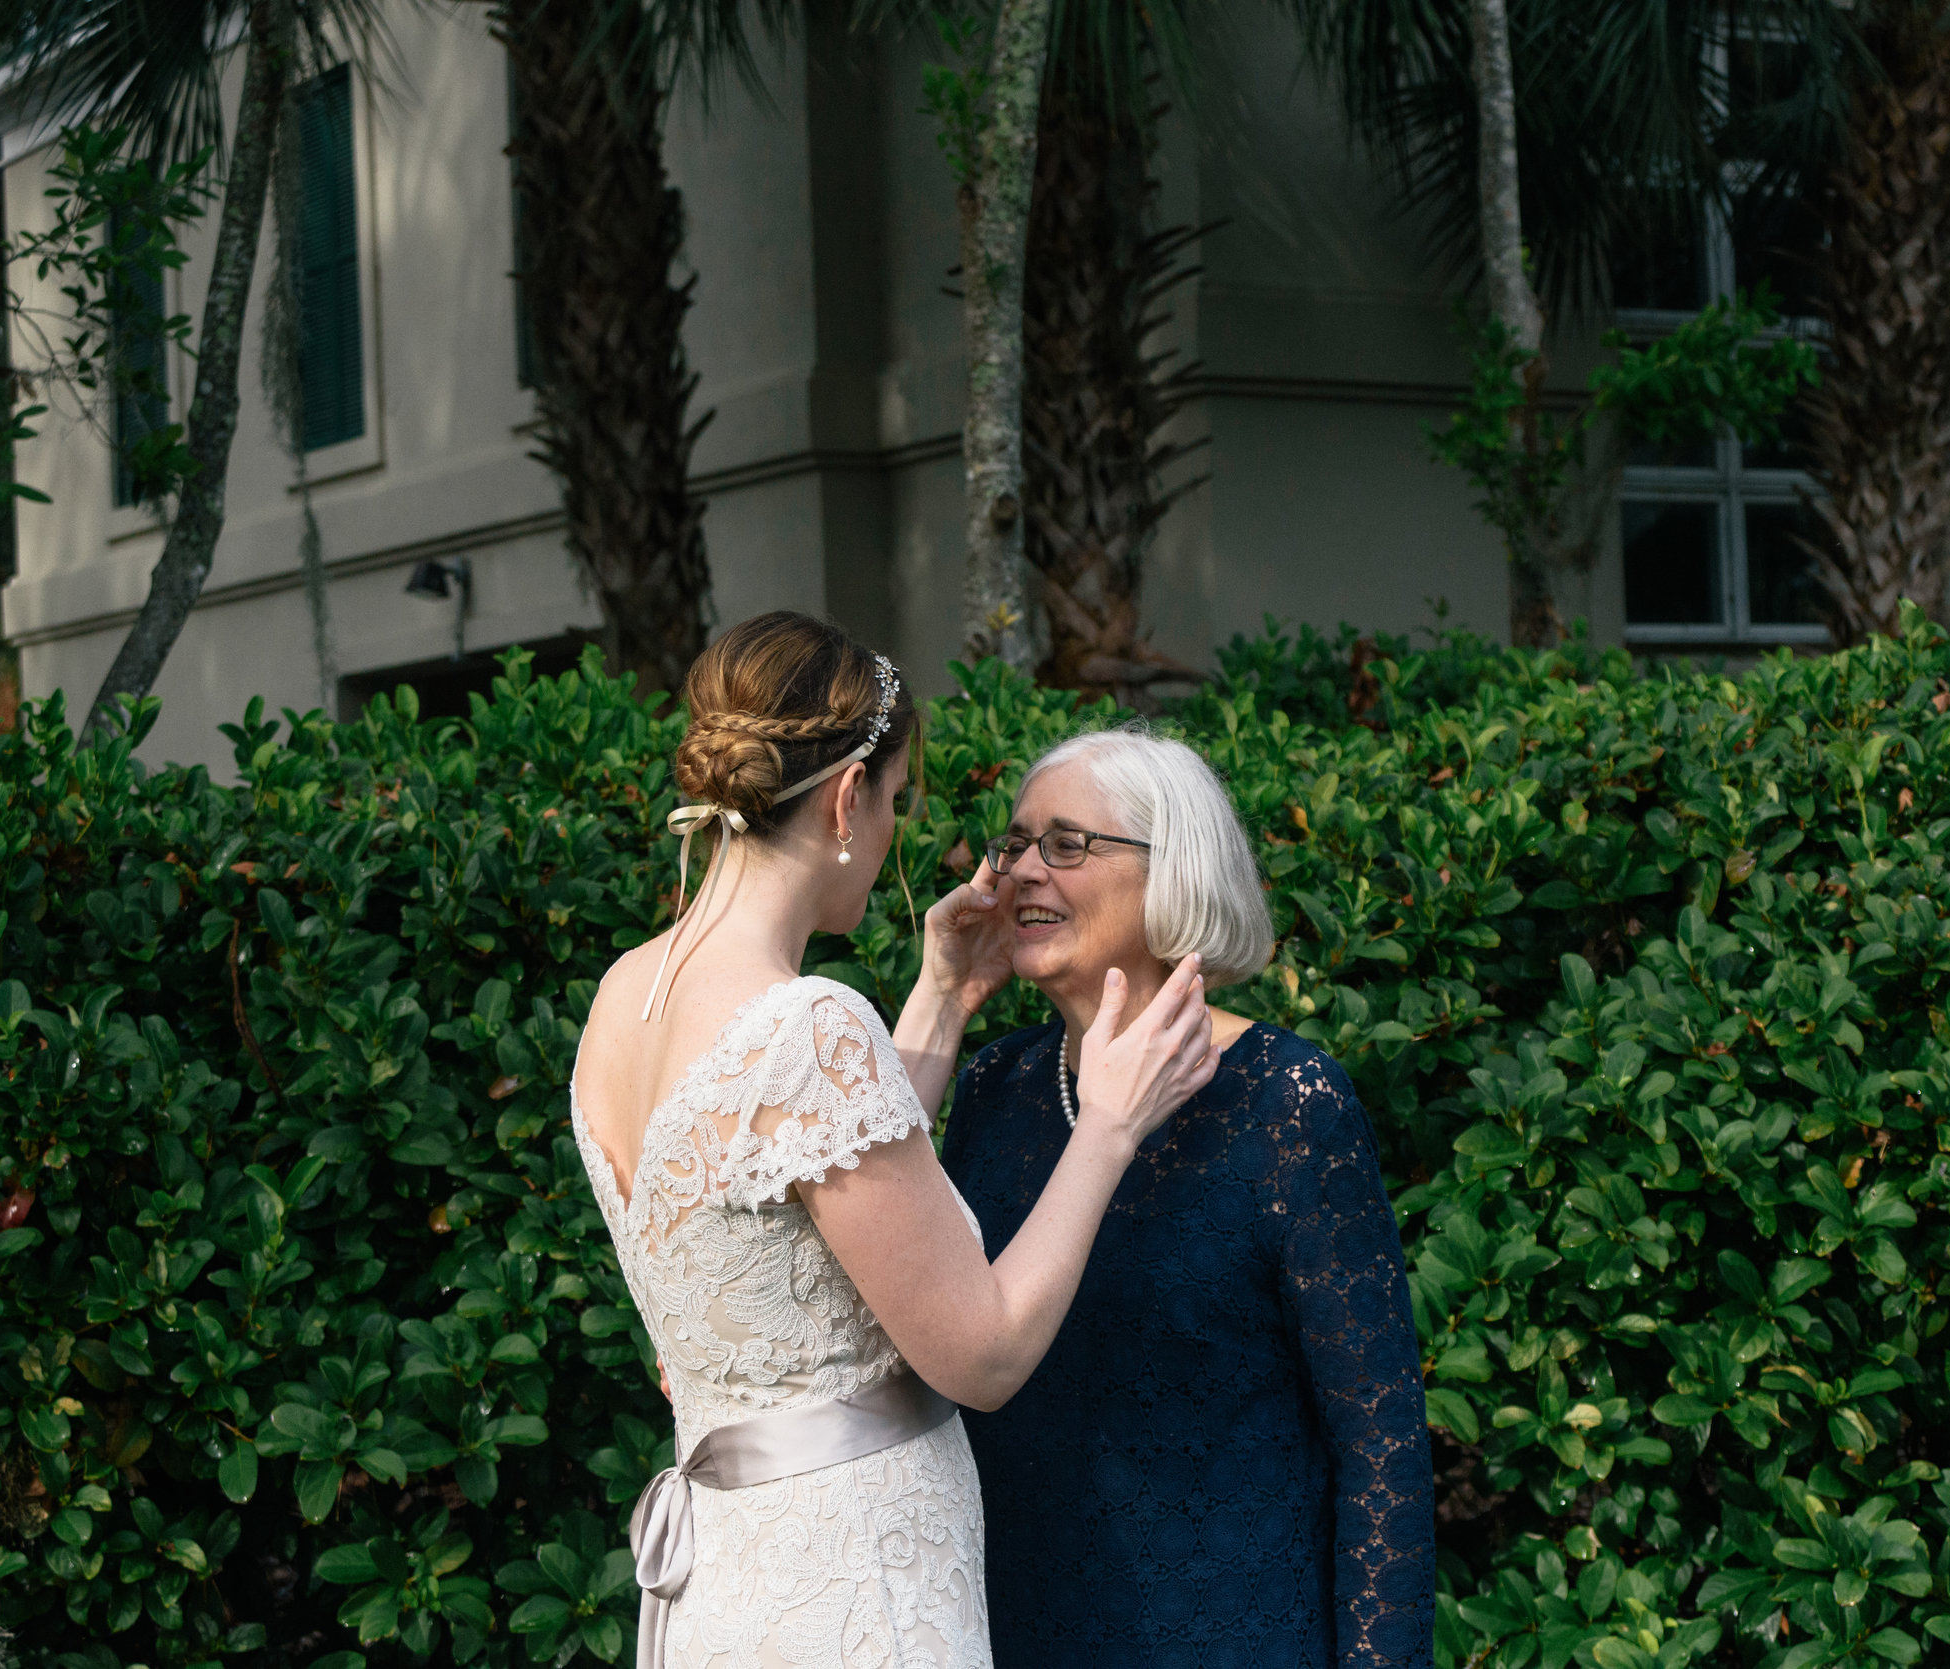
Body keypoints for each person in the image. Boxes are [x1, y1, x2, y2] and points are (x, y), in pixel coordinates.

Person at [569, 614, 1217, 1669]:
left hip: (730, 1581)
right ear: (842, 797)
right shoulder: (805, 1022)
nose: (892, 836)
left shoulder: (623, 997)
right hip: (856, 1583)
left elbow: (809, 1194)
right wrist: (1108, 1123)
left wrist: (942, 996)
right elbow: (985, 1352)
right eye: (896, 801)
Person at [927, 726, 1437, 1669]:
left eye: (1068, 844)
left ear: (1175, 871)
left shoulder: (1290, 1101)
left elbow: (1382, 1455)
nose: (1024, 872)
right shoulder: (996, 1089)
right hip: (1016, 1633)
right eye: (1015, 844)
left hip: (1240, 1637)